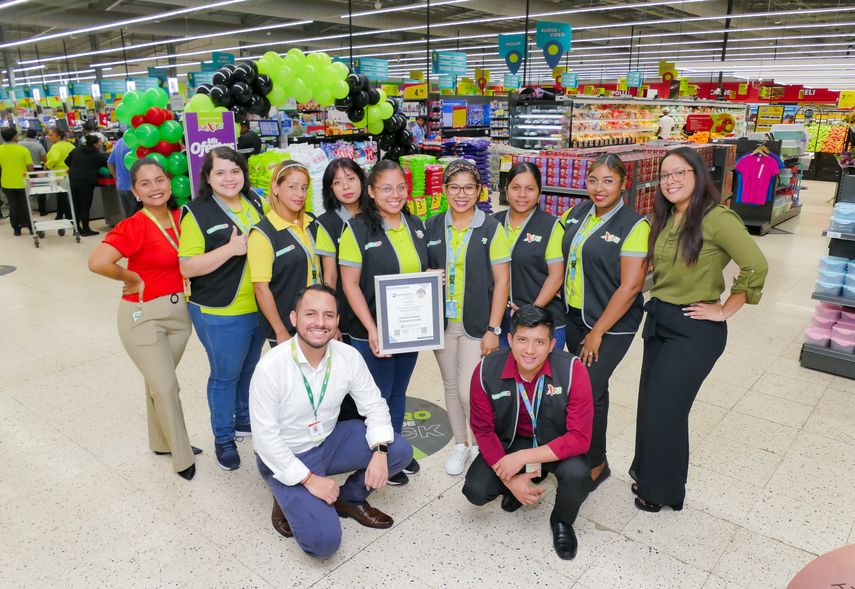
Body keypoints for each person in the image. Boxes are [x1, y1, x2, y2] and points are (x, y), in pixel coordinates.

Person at [631, 146, 768, 512]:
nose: (670, 181)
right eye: (665, 175)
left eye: (680, 173)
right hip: (659, 319)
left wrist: (725, 309)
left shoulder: (717, 218)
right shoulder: (664, 217)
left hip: (694, 328)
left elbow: (755, 265)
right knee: (651, 405)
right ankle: (649, 476)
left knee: (666, 410)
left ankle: (661, 492)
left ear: (698, 175)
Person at [250, 284, 413, 558]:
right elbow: (266, 440)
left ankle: (349, 499)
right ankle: (284, 496)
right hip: (287, 453)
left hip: (328, 441)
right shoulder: (271, 368)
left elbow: (374, 405)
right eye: (310, 314)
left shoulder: (347, 356)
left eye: (328, 315)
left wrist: (380, 452)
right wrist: (309, 479)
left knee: (399, 450)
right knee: (324, 544)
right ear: (294, 318)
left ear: (337, 321)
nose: (320, 323)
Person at [87, 159, 199, 480]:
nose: (155, 188)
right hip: (143, 316)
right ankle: (182, 455)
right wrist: (131, 277)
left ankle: (161, 442)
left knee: (157, 381)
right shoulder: (134, 225)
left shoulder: (183, 218)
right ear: (134, 191)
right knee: (166, 386)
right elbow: (98, 262)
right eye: (145, 183)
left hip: (180, 315)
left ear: (170, 182)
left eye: (159, 180)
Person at [463, 305, 593, 560]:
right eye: (522, 340)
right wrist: (509, 480)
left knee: (578, 474)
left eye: (539, 342)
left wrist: (521, 459)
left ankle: (562, 521)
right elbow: (483, 429)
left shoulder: (572, 370)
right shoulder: (485, 371)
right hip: (511, 442)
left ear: (552, 344)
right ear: (510, 339)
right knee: (476, 490)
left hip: (555, 443)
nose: (530, 351)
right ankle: (516, 487)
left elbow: (580, 437)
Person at [560, 154, 650, 491]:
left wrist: (598, 331)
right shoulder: (576, 214)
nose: (600, 188)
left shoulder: (634, 225)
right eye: (593, 180)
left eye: (608, 181)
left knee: (588, 389)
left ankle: (594, 464)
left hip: (611, 325)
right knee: (593, 391)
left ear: (623, 183)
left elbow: (631, 287)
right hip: (575, 316)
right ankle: (594, 456)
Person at [339, 159, 428, 486]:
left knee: (399, 393)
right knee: (375, 398)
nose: (395, 194)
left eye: (401, 187)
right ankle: (376, 455)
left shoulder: (416, 225)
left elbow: (419, 276)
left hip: (408, 333)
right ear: (372, 192)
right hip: (371, 332)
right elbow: (349, 285)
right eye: (386, 188)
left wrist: (432, 278)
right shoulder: (358, 229)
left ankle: (395, 450)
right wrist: (373, 329)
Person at [178, 146, 267, 471]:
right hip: (219, 310)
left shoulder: (254, 201)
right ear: (208, 177)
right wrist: (230, 250)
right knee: (225, 376)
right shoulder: (196, 212)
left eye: (234, 171)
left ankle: (243, 420)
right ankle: (223, 438)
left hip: (258, 306)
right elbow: (187, 267)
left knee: (249, 369)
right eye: (220, 172)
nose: (229, 178)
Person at [426, 159, 510, 476]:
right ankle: (461, 444)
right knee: (449, 385)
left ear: (478, 191)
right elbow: (420, 269)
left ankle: (480, 445)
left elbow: (502, 281)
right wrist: (427, 275)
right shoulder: (433, 226)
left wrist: (494, 328)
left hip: (476, 324)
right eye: (455, 187)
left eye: (469, 188)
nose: (462, 194)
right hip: (442, 324)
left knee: (468, 390)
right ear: (445, 190)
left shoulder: (491, 228)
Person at [248, 159, 336, 347]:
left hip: (318, 323)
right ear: (275, 187)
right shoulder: (263, 233)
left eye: (304, 188)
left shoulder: (313, 222)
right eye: (292, 187)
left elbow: (326, 272)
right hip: (287, 327)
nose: (300, 194)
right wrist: (280, 331)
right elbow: (261, 288)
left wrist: (332, 319)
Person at [315, 157, 367, 422]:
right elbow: (330, 278)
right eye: (337, 182)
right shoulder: (327, 223)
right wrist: (331, 321)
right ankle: (353, 433)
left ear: (362, 179)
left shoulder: (377, 214)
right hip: (346, 313)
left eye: (350, 178)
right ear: (330, 189)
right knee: (347, 377)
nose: (345, 186)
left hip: (377, 307)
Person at [494, 162, 566, 350]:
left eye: (530, 189)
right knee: (504, 377)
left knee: (543, 378)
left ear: (539, 192)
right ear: (506, 189)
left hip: (543, 322)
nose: (522, 195)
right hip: (501, 323)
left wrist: (532, 309)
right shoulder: (493, 223)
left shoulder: (551, 226)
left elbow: (556, 275)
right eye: (515, 188)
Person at [65, 134, 109, 236]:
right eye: (99, 142)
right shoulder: (96, 154)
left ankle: (76, 229)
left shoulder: (76, 150)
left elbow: (66, 161)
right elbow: (105, 164)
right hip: (87, 183)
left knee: (76, 206)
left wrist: (75, 168)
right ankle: (85, 229)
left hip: (73, 181)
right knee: (85, 206)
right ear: (95, 143)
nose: (100, 144)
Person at [0, 127, 35, 236]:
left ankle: (16, 229)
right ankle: (30, 227)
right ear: (14, 136)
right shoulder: (23, 150)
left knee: (13, 205)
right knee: (25, 205)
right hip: (22, 182)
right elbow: (30, 167)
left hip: (6, 182)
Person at [45, 126, 76, 225]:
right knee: (64, 196)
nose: (48, 137)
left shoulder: (55, 146)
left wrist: (47, 165)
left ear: (58, 136)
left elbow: (54, 158)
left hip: (59, 175)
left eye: (51, 135)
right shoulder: (70, 145)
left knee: (62, 196)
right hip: (70, 173)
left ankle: (69, 217)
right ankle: (59, 215)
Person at [107, 133, 136, 219]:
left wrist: (116, 178)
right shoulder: (136, 142)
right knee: (137, 217)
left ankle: (129, 232)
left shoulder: (119, 142)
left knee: (129, 216)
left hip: (121, 186)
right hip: (134, 187)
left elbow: (110, 162)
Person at [20, 129, 47, 215]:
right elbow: (44, 159)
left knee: (24, 190)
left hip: (24, 170)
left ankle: (26, 211)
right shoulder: (39, 145)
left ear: (26, 135)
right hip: (37, 169)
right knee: (41, 190)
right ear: (35, 135)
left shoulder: (19, 144)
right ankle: (42, 210)